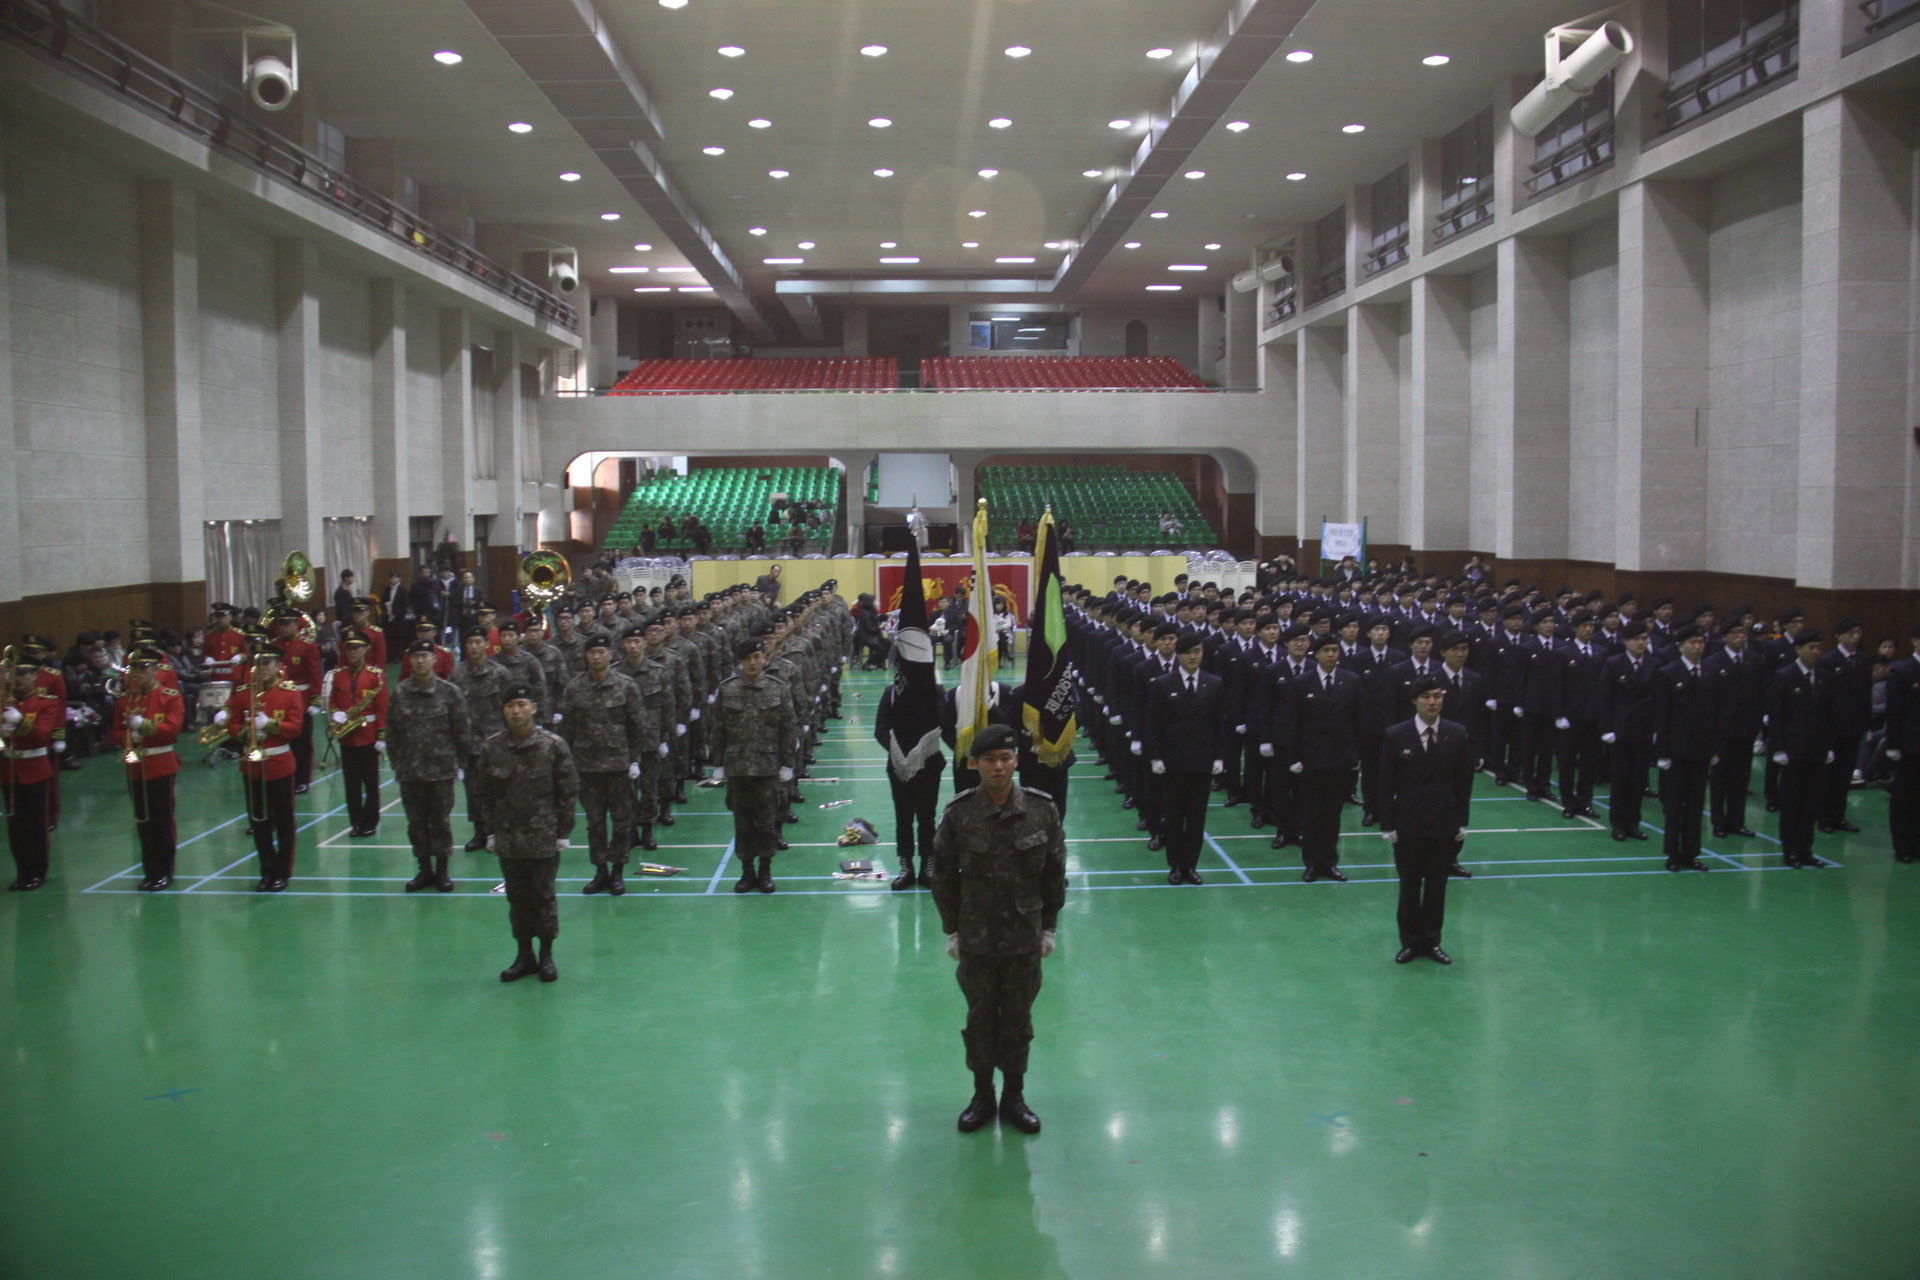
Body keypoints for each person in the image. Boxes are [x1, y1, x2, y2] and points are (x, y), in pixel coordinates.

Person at [929, 723, 1067, 1135]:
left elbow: (1054, 874)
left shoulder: (1042, 809)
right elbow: (943, 876)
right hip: (977, 937)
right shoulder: (960, 813)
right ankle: (982, 1096)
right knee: (980, 1020)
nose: (999, 766)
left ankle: (1014, 1097)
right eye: (990, 759)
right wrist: (952, 930)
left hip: (1025, 937)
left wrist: (1049, 927)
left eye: (1006, 758)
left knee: (1018, 1021)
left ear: (1017, 761)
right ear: (976, 764)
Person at [476, 685, 577, 983]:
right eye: (510, 705)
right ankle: (524, 955)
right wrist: (489, 832)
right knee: (517, 898)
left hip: (543, 836)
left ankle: (546, 955)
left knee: (544, 896)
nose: (516, 711)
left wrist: (564, 832)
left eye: (521, 704)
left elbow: (567, 791)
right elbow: (485, 794)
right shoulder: (492, 748)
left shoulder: (552, 745)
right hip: (509, 836)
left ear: (533, 707)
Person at [1379, 675, 1474, 964]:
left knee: (1436, 886)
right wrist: (1388, 825)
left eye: (1437, 696)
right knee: (1409, 886)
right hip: (1408, 824)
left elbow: (1463, 781)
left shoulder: (1456, 733)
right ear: (1414, 701)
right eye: (1426, 697)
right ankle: (1410, 942)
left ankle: (1432, 941)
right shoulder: (1396, 735)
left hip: (1443, 823)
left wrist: (1462, 820)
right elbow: (1386, 782)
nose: (1432, 702)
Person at [559, 635, 649, 896]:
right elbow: (568, 728)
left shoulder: (626, 686)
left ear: (610, 654)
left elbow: (636, 725)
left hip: (619, 766)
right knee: (595, 823)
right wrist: (570, 763)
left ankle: (618, 871)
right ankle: (601, 871)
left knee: (622, 822)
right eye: (592, 652)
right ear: (586, 656)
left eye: (601, 652)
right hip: (587, 768)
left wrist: (634, 759)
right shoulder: (575, 688)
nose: (596, 657)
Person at [709, 634, 798, 893]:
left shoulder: (777, 688)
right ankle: (747, 871)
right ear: (741, 661)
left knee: (766, 822)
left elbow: (787, 728)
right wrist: (718, 763)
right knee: (743, 823)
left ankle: (765, 871)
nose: (752, 663)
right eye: (747, 658)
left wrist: (787, 764)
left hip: (767, 767)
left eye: (757, 657)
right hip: (737, 768)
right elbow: (718, 729)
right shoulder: (728, 689)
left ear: (764, 658)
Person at [386, 638, 472, 893]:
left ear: (434, 659)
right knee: (416, 824)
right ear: (410, 661)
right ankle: (424, 869)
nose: (420, 661)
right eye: (416, 657)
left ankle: (442, 869)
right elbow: (392, 734)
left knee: (440, 822)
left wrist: (460, 765)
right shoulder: (400, 693)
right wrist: (397, 765)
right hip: (410, 771)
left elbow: (462, 732)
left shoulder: (449, 692)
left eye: (425, 656)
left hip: (441, 771)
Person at [219, 640, 305, 891]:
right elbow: (232, 726)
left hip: (279, 764)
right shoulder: (243, 693)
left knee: (284, 822)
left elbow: (295, 728)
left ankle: (282, 872)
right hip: (252, 766)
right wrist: (246, 731)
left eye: (267, 663)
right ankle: (266, 871)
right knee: (259, 822)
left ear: (278, 665)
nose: (262, 668)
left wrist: (270, 725)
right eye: (257, 663)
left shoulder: (289, 692)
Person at [1144, 633, 1224, 884]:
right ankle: (1175, 865)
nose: (1193, 657)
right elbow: (1153, 724)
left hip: (1202, 761)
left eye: (1197, 651)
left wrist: (1219, 756)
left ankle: (1191, 865)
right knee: (1175, 816)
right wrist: (1155, 757)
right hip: (1173, 762)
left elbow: (1219, 724)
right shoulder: (1163, 684)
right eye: (1188, 652)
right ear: (1179, 655)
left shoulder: (1214, 683)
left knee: (1197, 818)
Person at [111, 645, 186, 890]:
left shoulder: (169, 696)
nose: (138, 673)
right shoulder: (125, 700)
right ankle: (150, 871)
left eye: (144, 668)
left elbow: (172, 730)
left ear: (155, 670)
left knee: (161, 820)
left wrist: (143, 725)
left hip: (160, 764)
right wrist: (128, 736)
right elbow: (115, 733)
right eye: (134, 669)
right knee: (142, 821)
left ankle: (165, 870)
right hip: (136, 766)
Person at [1766, 628, 1834, 870]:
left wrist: (1829, 746)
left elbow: (1828, 715)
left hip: (1816, 751)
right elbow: (1776, 716)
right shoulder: (1784, 677)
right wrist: (1778, 748)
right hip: (1793, 751)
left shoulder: (1825, 677)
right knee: (1792, 804)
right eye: (1811, 648)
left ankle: (1806, 850)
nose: (1816, 652)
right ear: (1798, 649)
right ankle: (1790, 851)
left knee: (1811, 804)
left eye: (1818, 648)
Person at [1653, 624, 1717, 872]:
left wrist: (1714, 748)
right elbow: (1662, 715)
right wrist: (1662, 752)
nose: (1698, 647)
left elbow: (1715, 713)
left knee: (1695, 804)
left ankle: (1691, 853)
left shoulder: (1710, 672)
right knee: (1674, 804)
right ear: (1681, 646)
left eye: (1701, 642)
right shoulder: (1668, 673)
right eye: (1692, 642)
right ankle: (1672, 853)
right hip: (1676, 750)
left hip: (1701, 749)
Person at [1, 652, 61, 890]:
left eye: (24, 674)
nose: (19, 679)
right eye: (15, 674)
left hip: (34, 769)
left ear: (35, 676)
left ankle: (37, 871)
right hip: (10, 769)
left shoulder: (45, 702)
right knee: (15, 826)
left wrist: (19, 722)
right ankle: (22, 871)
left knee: (35, 824)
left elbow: (42, 736)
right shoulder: (5, 703)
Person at [328, 627, 389, 838]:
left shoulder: (375, 676)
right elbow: (333, 701)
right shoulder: (339, 676)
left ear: (365, 649)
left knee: (371, 783)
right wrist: (335, 713)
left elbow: (382, 707)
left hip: (368, 736)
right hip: (347, 737)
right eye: (348, 648)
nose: (352, 652)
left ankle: (371, 821)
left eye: (356, 648)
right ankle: (356, 822)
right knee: (351, 784)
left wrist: (381, 735)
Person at [1883, 623, 1920, 864]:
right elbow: (1895, 710)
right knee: (1904, 797)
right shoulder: (1903, 670)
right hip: (1909, 745)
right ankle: (1902, 845)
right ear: (1915, 640)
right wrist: (1893, 744)